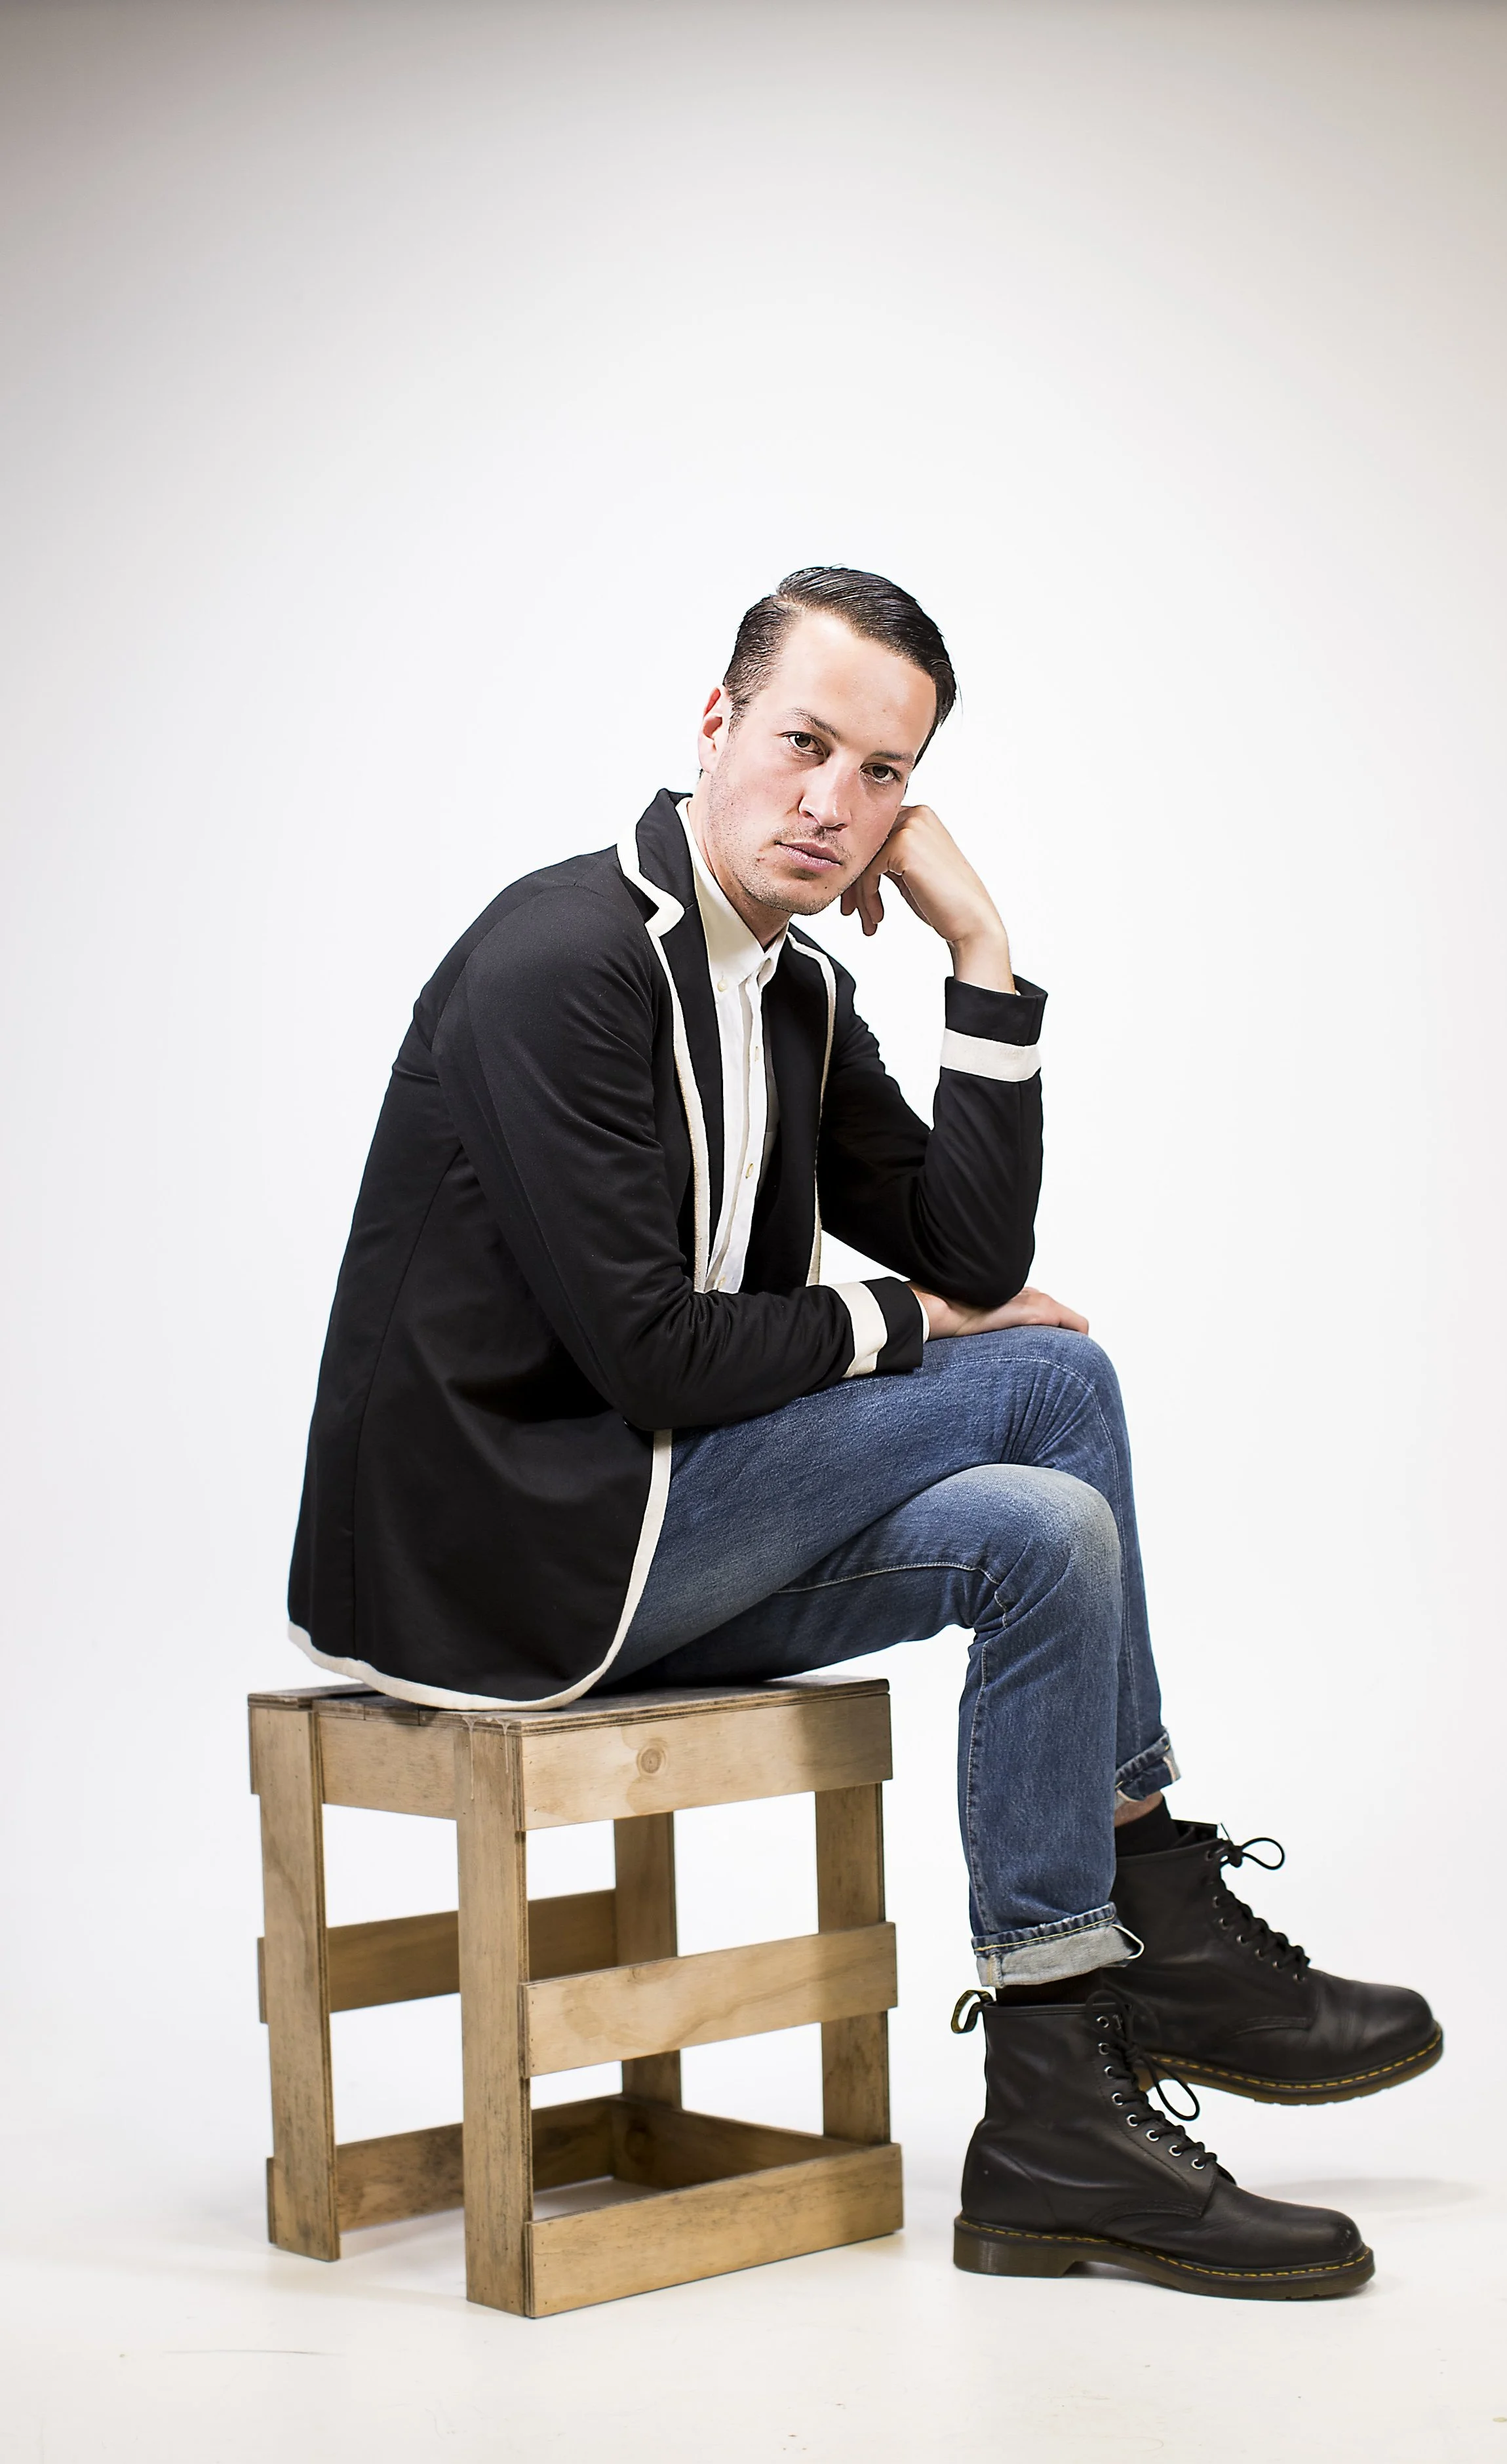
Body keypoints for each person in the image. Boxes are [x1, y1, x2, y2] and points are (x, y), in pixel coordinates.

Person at [289, 565, 1440, 2301]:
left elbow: (972, 1250)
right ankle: (1155, 1897)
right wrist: (901, 1324)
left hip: (668, 1528)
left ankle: (1053, 2098)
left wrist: (980, 955)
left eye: (883, 772)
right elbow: (663, 1358)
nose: (833, 802)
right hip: (525, 1553)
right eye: (804, 743)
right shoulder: (564, 960)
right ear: (714, 726)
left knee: (1048, 1533)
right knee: (1052, 1388)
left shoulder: (791, 993)